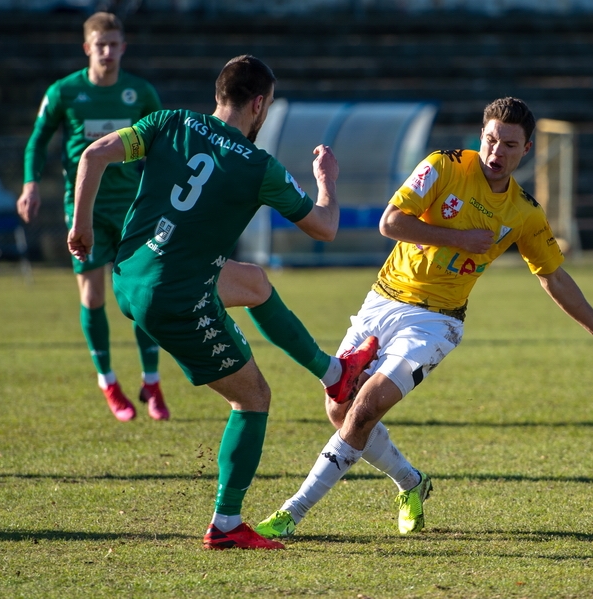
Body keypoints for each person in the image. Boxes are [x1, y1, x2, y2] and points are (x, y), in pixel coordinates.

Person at [256, 97, 593, 540]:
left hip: (436, 322)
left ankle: (292, 513)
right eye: (491, 139)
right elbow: (391, 222)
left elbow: (553, 276)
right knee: (339, 408)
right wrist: (460, 238)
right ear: (481, 136)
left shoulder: (524, 213)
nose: (496, 152)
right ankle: (412, 483)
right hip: (382, 301)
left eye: (509, 145)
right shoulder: (443, 166)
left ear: (527, 150)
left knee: (364, 409)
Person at [67, 55, 376, 550]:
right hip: (175, 297)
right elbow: (325, 226)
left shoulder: (168, 121)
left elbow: (92, 155)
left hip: (129, 275)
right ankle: (227, 524)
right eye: (268, 106)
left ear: (219, 94)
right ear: (258, 104)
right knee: (252, 399)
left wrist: (80, 227)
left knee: (252, 281)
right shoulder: (259, 166)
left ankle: (334, 375)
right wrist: (327, 179)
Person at [18, 12, 169, 421]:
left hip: (132, 208)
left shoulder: (140, 92)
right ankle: (108, 383)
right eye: (100, 45)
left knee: (142, 297)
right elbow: (37, 140)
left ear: (124, 46)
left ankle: (151, 383)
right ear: (87, 48)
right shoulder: (65, 92)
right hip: (84, 208)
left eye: (114, 44)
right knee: (94, 296)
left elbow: (164, 144)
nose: (107, 52)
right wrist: (31, 184)